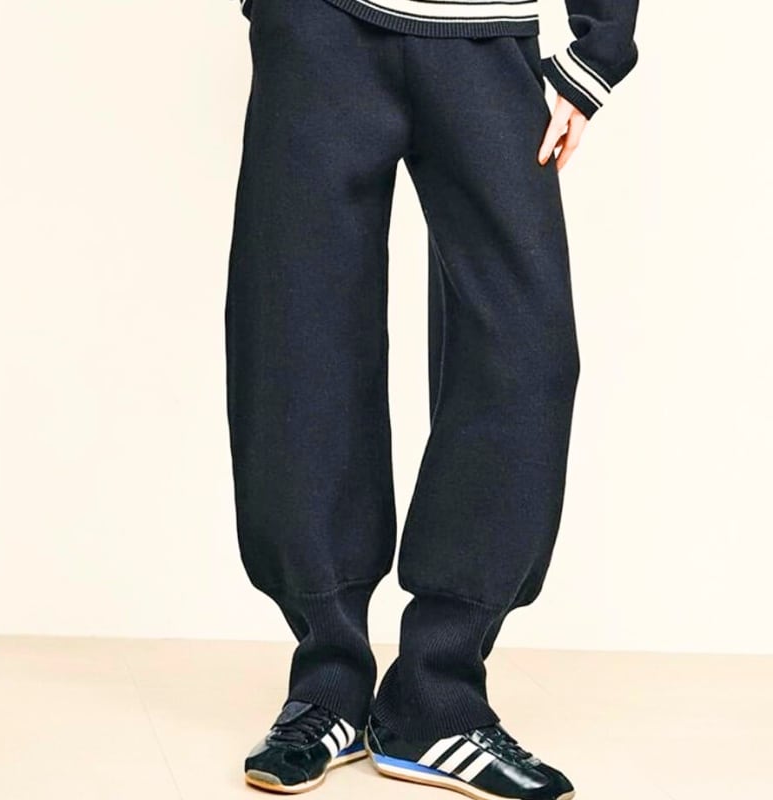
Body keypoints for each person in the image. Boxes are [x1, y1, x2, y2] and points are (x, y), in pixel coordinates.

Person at [225, 0, 639, 796]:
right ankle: (326, 682)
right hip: (319, 29)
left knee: (526, 350)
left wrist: (602, 47)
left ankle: (436, 695)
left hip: (485, 38)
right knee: (298, 339)